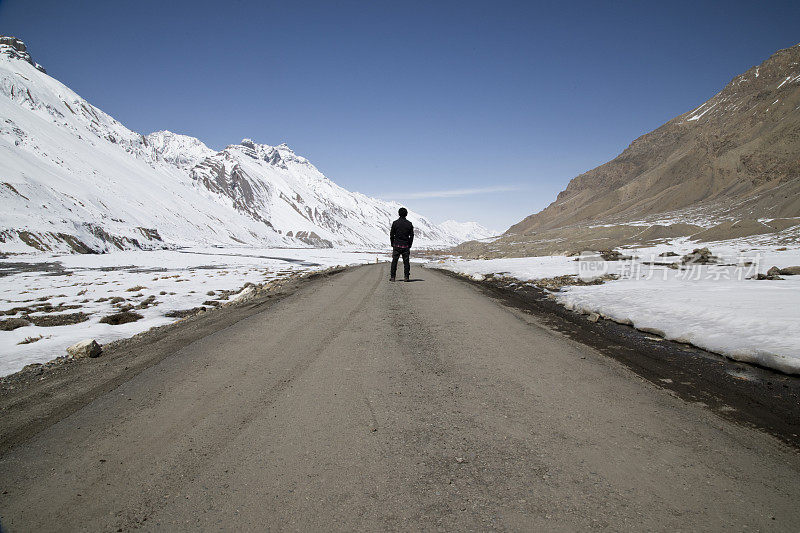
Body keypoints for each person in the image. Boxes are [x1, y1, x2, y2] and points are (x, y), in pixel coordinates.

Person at [389, 207, 414, 281]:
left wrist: (392, 243)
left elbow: (391, 234)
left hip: (396, 245)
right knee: (406, 262)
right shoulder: (409, 224)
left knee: (394, 261)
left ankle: (393, 277)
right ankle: (406, 277)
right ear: (406, 214)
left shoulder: (395, 223)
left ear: (399, 214)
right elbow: (411, 235)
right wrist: (410, 244)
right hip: (405, 245)